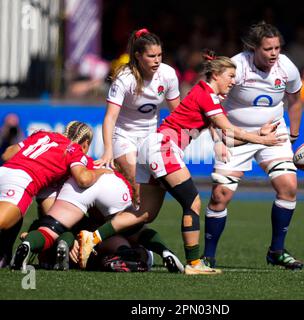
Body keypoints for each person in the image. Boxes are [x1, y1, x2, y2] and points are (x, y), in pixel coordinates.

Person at [76, 50, 286, 275]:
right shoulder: (207, 95)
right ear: (216, 75)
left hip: (152, 146)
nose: (234, 82)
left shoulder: (207, 96)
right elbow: (229, 128)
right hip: (163, 147)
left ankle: (93, 236)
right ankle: (194, 264)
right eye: (230, 76)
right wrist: (262, 139)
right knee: (193, 202)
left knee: (145, 213)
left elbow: (227, 138)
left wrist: (257, 133)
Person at [202, 22, 304, 270]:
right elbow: (211, 101)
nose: (274, 53)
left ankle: (277, 251)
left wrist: (292, 135)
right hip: (236, 135)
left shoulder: (287, 67)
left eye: (277, 48)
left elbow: (295, 101)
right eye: (268, 48)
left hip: (273, 132)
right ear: (253, 48)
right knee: (220, 196)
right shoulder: (237, 67)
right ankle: (207, 257)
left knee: (288, 187)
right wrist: (219, 137)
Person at [12, 152, 183, 273]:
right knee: (132, 230)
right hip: (109, 191)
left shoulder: (73, 163)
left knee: (52, 228)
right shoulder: (113, 174)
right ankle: (163, 251)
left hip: (78, 190)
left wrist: (37, 230)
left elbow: (47, 211)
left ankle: (31, 244)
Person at [0, 121, 111, 268]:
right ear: (85, 144)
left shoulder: (43, 135)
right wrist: (103, 170)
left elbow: (7, 154)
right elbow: (83, 179)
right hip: (20, 182)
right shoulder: (75, 151)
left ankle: (4, 256)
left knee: (17, 217)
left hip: (4, 171)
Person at [96, 28, 180, 205]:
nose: (157, 60)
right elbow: (110, 117)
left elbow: (178, 112)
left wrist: (181, 138)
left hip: (151, 137)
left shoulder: (168, 74)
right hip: (124, 136)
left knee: (159, 190)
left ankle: (131, 226)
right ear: (138, 56)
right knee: (138, 188)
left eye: (160, 55)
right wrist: (108, 149)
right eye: (151, 56)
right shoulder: (123, 79)